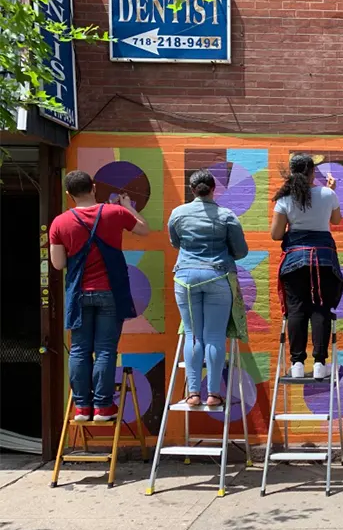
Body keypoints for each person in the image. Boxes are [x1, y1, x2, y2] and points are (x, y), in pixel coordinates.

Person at [49, 170, 150, 421]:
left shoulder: (59, 223)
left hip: (79, 294)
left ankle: (82, 407)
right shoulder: (115, 213)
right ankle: (103, 407)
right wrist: (128, 207)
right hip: (110, 292)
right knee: (105, 350)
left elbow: (58, 264)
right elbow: (144, 230)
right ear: (93, 187)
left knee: (79, 350)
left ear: (68, 194)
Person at [168, 169, 249, 407]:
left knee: (193, 335)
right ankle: (213, 393)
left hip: (185, 278)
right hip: (217, 275)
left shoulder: (178, 213)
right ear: (214, 189)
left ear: (192, 190)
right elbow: (241, 251)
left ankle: (193, 393)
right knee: (214, 336)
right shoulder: (226, 215)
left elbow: (175, 242)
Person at [270, 154, 343, 380]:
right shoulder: (328, 194)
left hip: (294, 261)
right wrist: (330, 191)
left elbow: (276, 234)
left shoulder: (285, 199)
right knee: (320, 308)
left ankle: (297, 364)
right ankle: (320, 363)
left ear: (292, 173)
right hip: (323, 260)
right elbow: (336, 221)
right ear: (312, 172)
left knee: (296, 310)